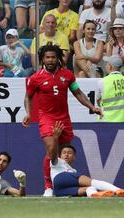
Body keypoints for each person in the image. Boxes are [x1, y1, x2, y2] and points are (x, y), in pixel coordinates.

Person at [22, 43, 102, 197]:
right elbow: (28, 97)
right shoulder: (35, 78)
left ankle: (61, 183)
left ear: (57, 58)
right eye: (47, 57)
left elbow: (78, 93)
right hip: (46, 118)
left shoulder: (67, 75)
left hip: (64, 118)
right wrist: (28, 113)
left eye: (53, 57)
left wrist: (91, 107)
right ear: (42, 59)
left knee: (62, 153)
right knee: (51, 148)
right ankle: (48, 186)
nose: (50, 60)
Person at [50, 122, 124, 197]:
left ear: (74, 157)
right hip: (60, 178)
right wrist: (55, 138)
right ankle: (119, 190)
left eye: (69, 153)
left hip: (59, 191)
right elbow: (53, 154)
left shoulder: (73, 171)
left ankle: (95, 194)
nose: (66, 155)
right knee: (93, 182)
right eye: (64, 153)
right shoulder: (57, 162)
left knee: (88, 188)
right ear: (60, 156)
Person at [96, 55, 124, 122]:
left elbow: (99, 102)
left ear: (110, 66)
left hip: (109, 122)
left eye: (107, 64)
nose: (106, 66)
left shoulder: (102, 82)